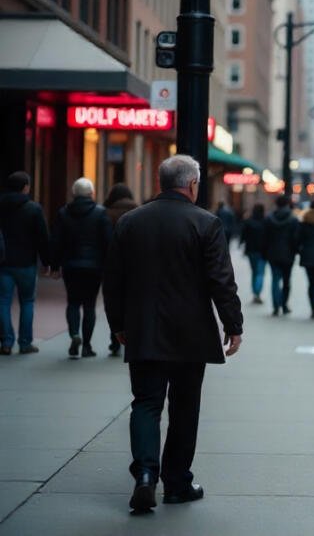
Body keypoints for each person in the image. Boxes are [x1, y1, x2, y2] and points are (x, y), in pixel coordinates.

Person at [102, 155, 243, 514]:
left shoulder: (131, 222)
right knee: (184, 408)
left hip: (144, 330)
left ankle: (145, 477)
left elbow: (114, 279)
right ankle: (177, 482)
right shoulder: (206, 223)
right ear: (192, 184)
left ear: (161, 181)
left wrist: (118, 324)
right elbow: (220, 281)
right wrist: (233, 325)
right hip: (190, 333)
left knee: (146, 404)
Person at [52, 178, 113, 358]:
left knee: (72, 302)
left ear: (73, 194)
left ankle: (74, 334)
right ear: (91, 193)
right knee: (89, 305)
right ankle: (86, 345)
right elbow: (108, 242)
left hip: (71, 266)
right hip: (94, 267)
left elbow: (56, 241)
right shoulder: (100, 213)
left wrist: (54, 265)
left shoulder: (63, 213)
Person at [0, 172, 52, 355]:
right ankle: (25, 343)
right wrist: (47, 262)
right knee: (27, 302)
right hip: (26, 263)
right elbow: (42, 238)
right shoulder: (33, 209)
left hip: (3, 263)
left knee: (3, 302)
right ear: (25, 187)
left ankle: (6, 342)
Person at [103, 184, 138, 356]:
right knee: (131, 302)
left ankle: (115, 339)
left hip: (112, 262)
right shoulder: (138, 213)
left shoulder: (106, 213)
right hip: (134, 264)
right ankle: (131, 337)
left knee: (115, 300)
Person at [263, 195, 300, 316]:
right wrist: (296, 251)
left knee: (275, 280)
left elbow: (265, 237)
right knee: (286, 281)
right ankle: (284, 305)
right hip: (288, 254)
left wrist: (265, 251)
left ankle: (275, 306)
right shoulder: (293, 219)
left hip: (273, 253)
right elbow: (296, 239)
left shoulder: (269, 218)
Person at [239, 204, 267, 304]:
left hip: (251, 250)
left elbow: (243, 235)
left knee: (254, 272)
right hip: (263, 251)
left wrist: (241, 244)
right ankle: (257, 292)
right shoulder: (266, 222)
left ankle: (255, 293)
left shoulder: (248, 221)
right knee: (260, 273)